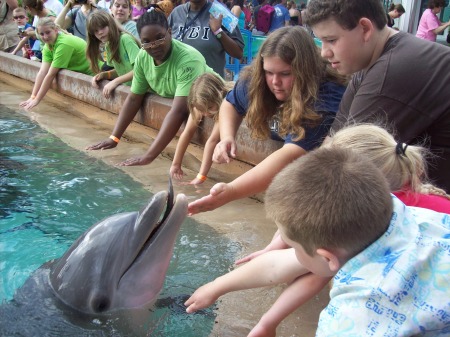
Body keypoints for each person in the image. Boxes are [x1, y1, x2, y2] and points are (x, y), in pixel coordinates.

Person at [186, 123, 450, 336]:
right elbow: (283, 264)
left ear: (326, 258)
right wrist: (219, 286)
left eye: (293, 248)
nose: (288, 250)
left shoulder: (353, 317)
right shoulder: (407, 213)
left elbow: (293, 267)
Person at [188, 26, 346, 215]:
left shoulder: (326, 94)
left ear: (305, 70)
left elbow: (291, 154)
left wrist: (231, 192)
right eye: (269, 72)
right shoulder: (257, 81)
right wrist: (227, 137)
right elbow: (230, 104)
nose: (275, 82)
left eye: (285, 74)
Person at [304, 0, 450, 193]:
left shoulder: (394, 71)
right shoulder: (372, 63)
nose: (324, 53)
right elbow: (332, 144)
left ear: (365, 28)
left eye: (331, 40)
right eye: (321, 41)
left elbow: (343, 166)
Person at [86, 9, 217, 167]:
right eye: (146, 41)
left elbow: (178, 111)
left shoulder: (188, 59)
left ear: (169, 32)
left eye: (160, 38)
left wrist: (149, 156)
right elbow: (134, 98)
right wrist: (114, 138)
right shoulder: (143, 56)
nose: (154, 46)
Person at [170, 73, 234, 185]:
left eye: (209, 108)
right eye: (202, 109)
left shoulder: (227, 102)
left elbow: (213, 140)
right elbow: (187, 133)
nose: (205, 113)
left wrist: (201, 177)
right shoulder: (200, 106)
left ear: (218, 95)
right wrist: (175, 164)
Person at [19, 18, 94, 111]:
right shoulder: (47, 46)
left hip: (92, 74)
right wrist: (32, 97)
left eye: (48, 32)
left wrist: (38, 100)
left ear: (55, 30)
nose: (45, 37)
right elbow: (42, 72)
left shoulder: (63, 43)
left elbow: (50, 75)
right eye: (41, 34)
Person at [167, 0, 244, 78]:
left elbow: (238, 53)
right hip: (180, 83)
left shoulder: (220, 12)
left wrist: (218, 31)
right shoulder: (177, 13)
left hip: (209, 85)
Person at [86, 10, 140, 98]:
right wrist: (105, 75)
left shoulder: (125, 39)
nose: (100, 32)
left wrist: (115, 81)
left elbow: (140, 70)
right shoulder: (108, 45)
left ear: (111, 24)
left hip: (146, 91)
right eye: (96, 31)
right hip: (130, 89)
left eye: (103, 27)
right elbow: (122, 70)